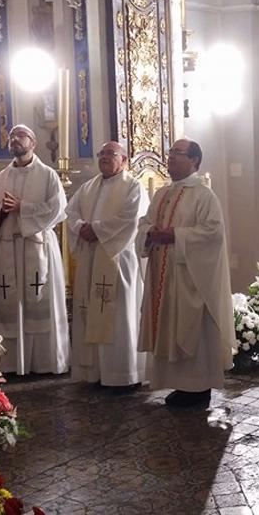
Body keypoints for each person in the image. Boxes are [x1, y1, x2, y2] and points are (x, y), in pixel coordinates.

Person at [137, 139, 234, 408]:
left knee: (192, 328)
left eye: (177, 154)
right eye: (170, 154)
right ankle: (181, 384)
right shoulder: (161, 194)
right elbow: (145, 223)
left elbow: (213, 233)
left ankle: (199, 386)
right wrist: (149, 233)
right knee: (168, 325)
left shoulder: (204, 195)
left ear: (194, 161)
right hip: (163, 275)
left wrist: (175, 235)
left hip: (190, 278)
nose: (170, 159)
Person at [0, 124, 69, 375]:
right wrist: (3, 211)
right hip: (10, 247)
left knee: (40, 301)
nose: (15, 140)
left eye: (21, 136)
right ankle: (10, 363)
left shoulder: (48, 175)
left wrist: (23, 207)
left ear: (33, 143)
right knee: (11, 303)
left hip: (37, 245)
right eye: (11, 137)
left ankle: (44, 362)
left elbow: (58, 208)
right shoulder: (2, 177)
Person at [66, 141, 149, 391]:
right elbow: (70, 213)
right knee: (90, 312)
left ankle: (123, 374)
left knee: (119, 316)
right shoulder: (88, 187)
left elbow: (131, 218)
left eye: (110, 154)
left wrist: (97, 230)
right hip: (92, 259)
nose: (104, 157)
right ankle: (95, 373)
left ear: (123, 160)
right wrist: (81, 227)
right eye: (101, 153)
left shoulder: (133, 186)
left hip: (117, 259)